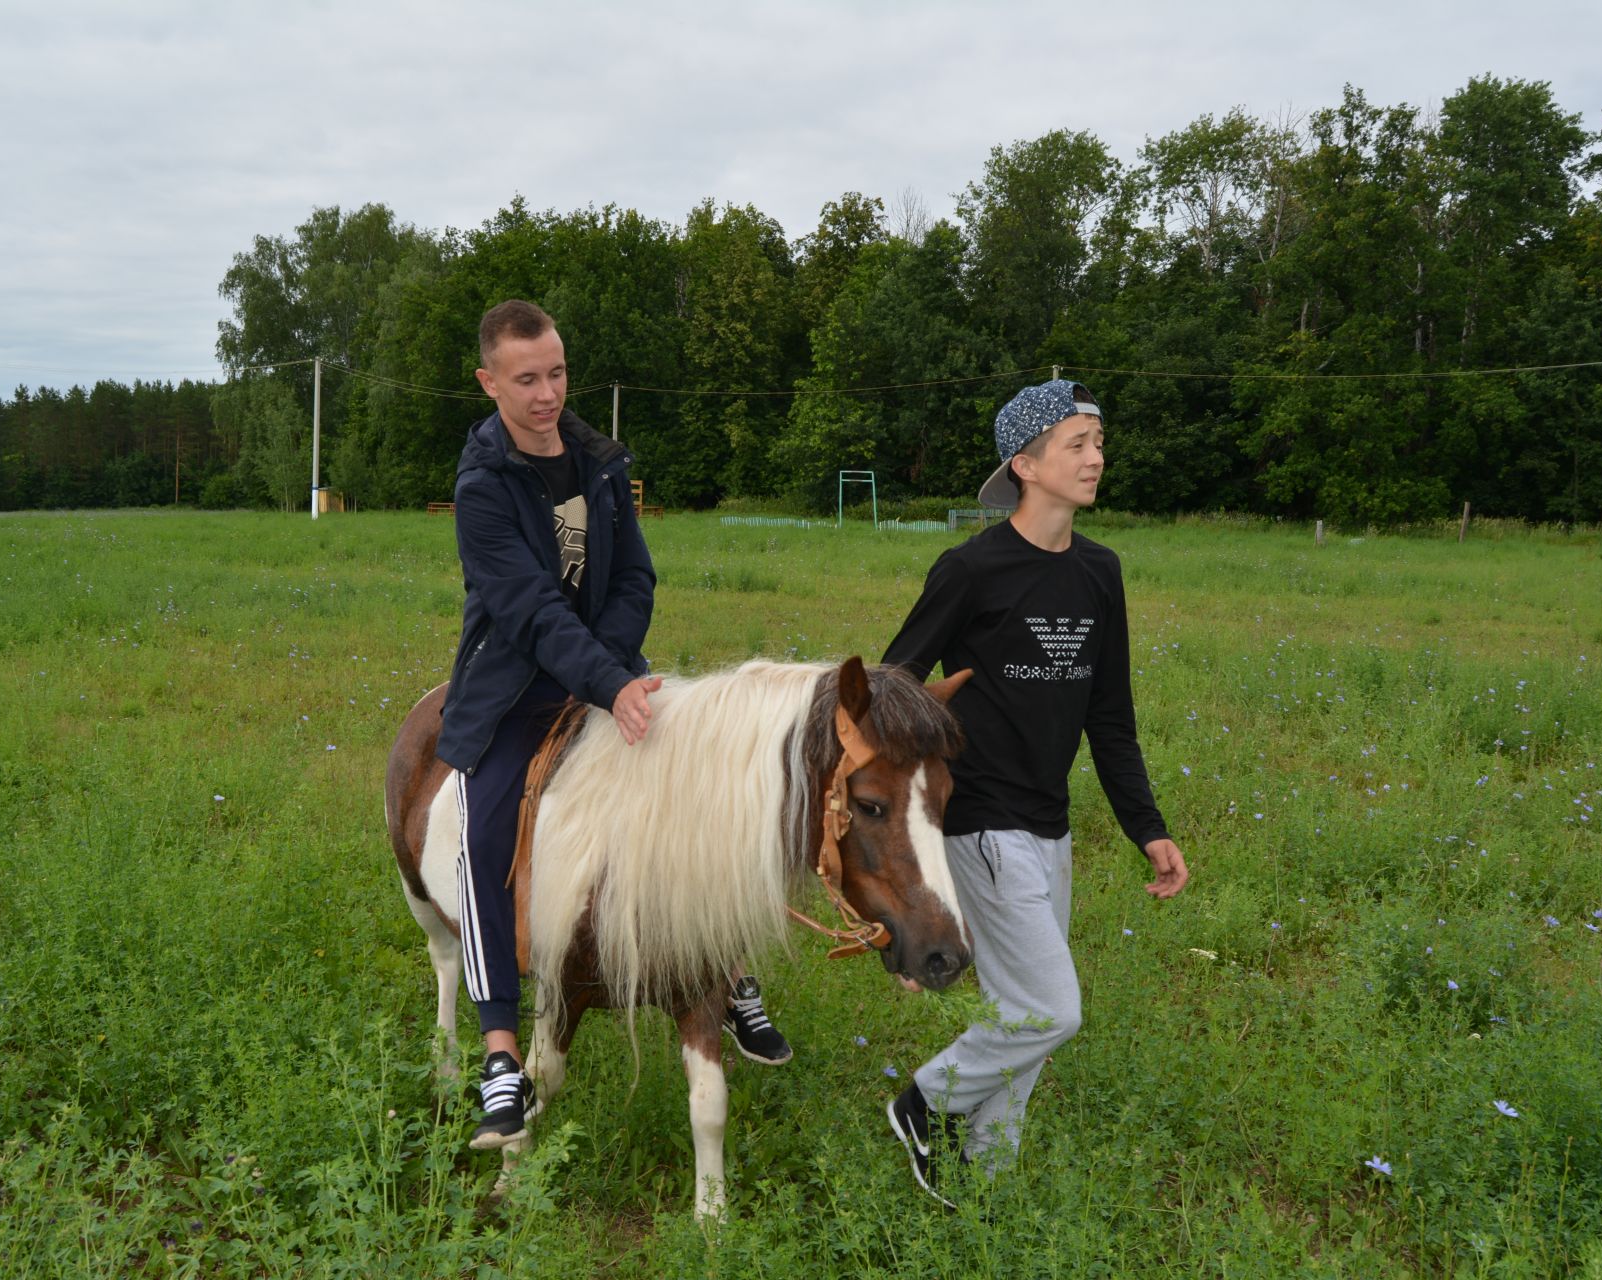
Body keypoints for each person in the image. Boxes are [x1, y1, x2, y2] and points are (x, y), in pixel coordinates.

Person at [437, 300, 792, 1150]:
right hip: (515, 692)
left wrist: (615, 669)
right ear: (489, 383)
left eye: (557, 373)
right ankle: (498, 1054)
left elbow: (636, 575)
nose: (547, 393)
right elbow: (524, 609)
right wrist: (604, 679)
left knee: (701, 797)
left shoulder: (600, 461)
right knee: (483, 837)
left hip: (606, 672)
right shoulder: (481, 488)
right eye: (526, 379)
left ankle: (730, 971)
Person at [880, 379, 1191, 1204]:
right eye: (1077, 443)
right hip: (980, 821)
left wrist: (1146, 828)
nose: (1097, 456)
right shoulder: (971, 569)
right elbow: (894, 687)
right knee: (1052, 1010)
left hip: (1050, 827)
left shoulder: (1098, 572)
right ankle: (924, 1103)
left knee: (1026, 1022)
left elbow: (1109, 717)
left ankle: (978, 1196)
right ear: (1025, 463)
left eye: (1098, 441)